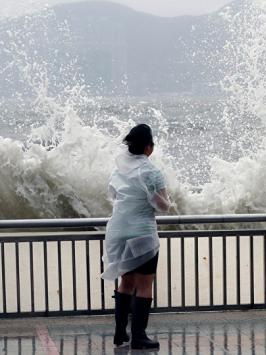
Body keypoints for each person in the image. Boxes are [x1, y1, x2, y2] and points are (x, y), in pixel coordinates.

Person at [102, 124, 171, 350]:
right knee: (144, 285)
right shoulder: (151, 172)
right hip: (142, 233)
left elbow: (113, 195)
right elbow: (162, 205)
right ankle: (139, 336)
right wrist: (169, 202)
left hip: (118, 231)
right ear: (148, 147)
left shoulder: (118, 170)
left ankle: (120, 333)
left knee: (126, 281)